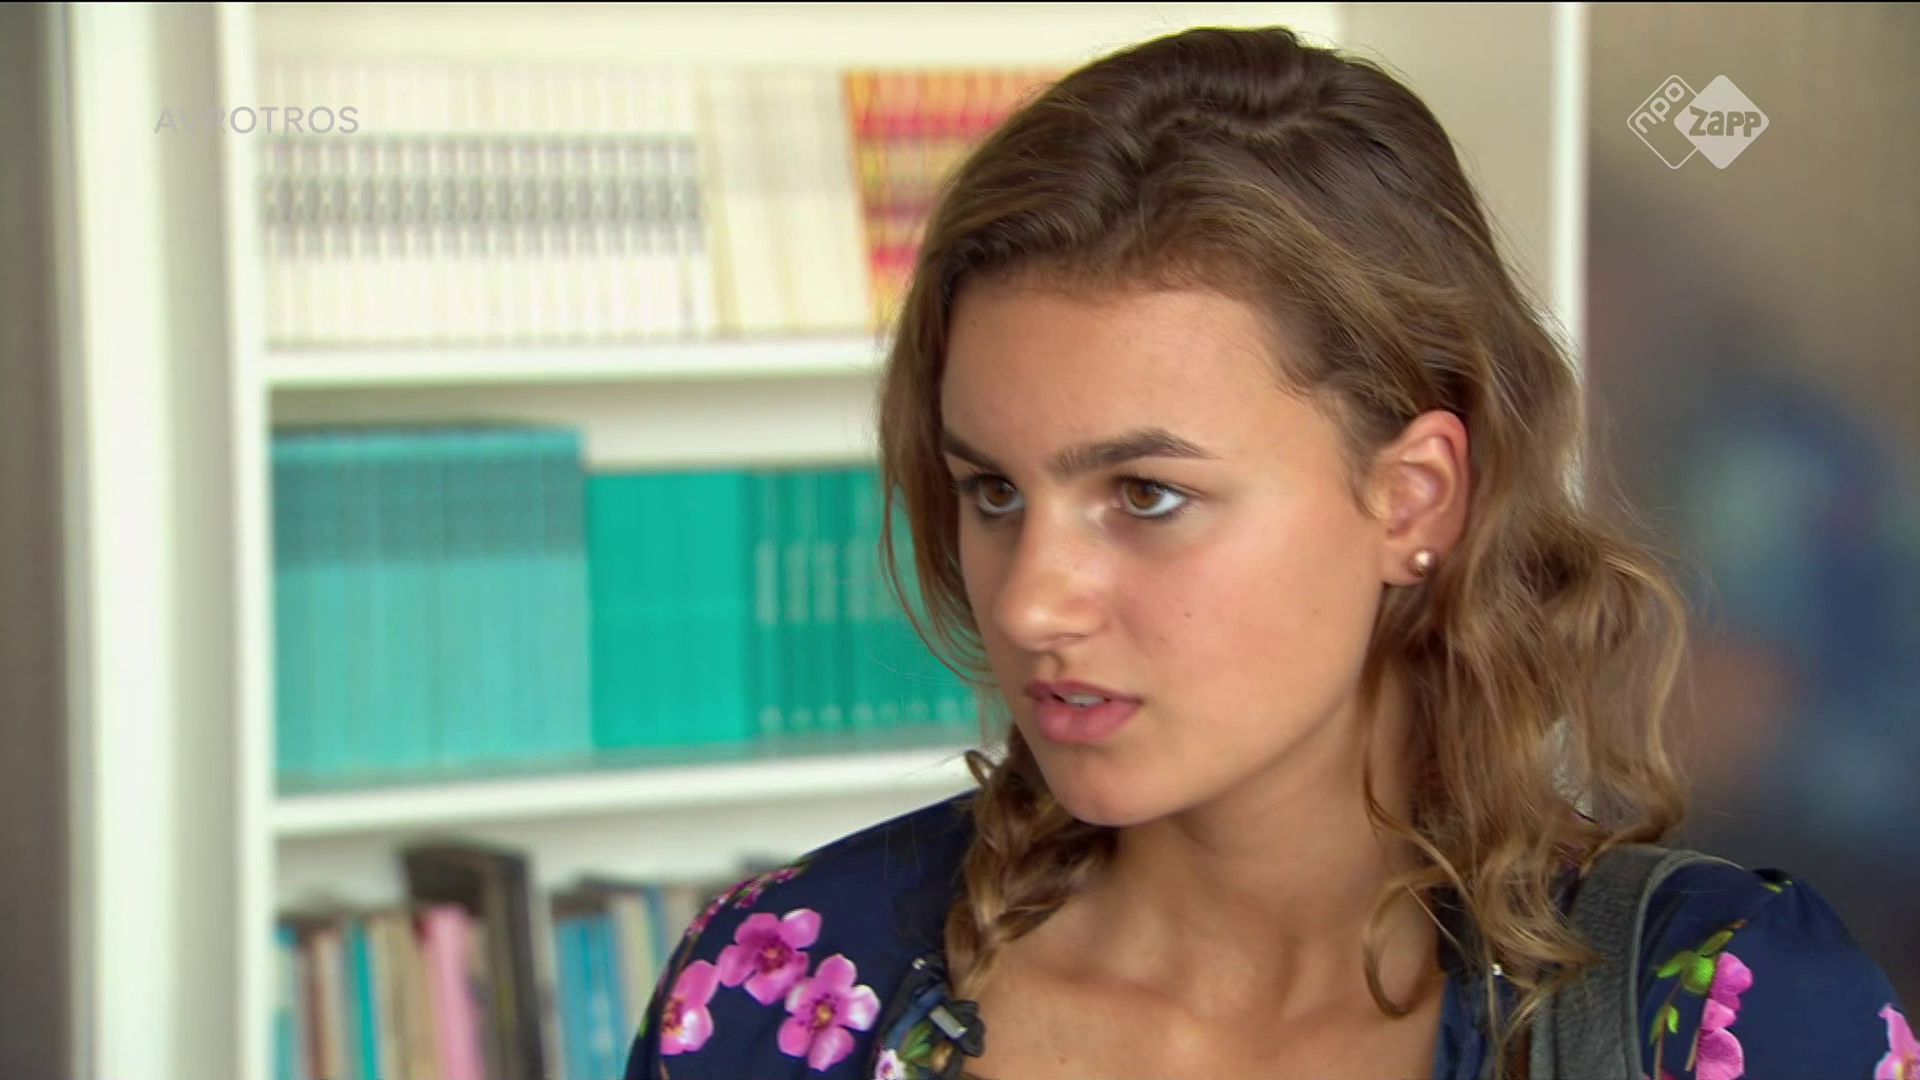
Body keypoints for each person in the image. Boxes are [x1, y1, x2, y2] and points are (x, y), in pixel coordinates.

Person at [622, 25, 1910, 1080]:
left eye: (1146, 494)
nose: (1029, 605)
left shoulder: (1734, 1022)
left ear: (1412, 502)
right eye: (993, 490)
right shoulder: (777, 987)